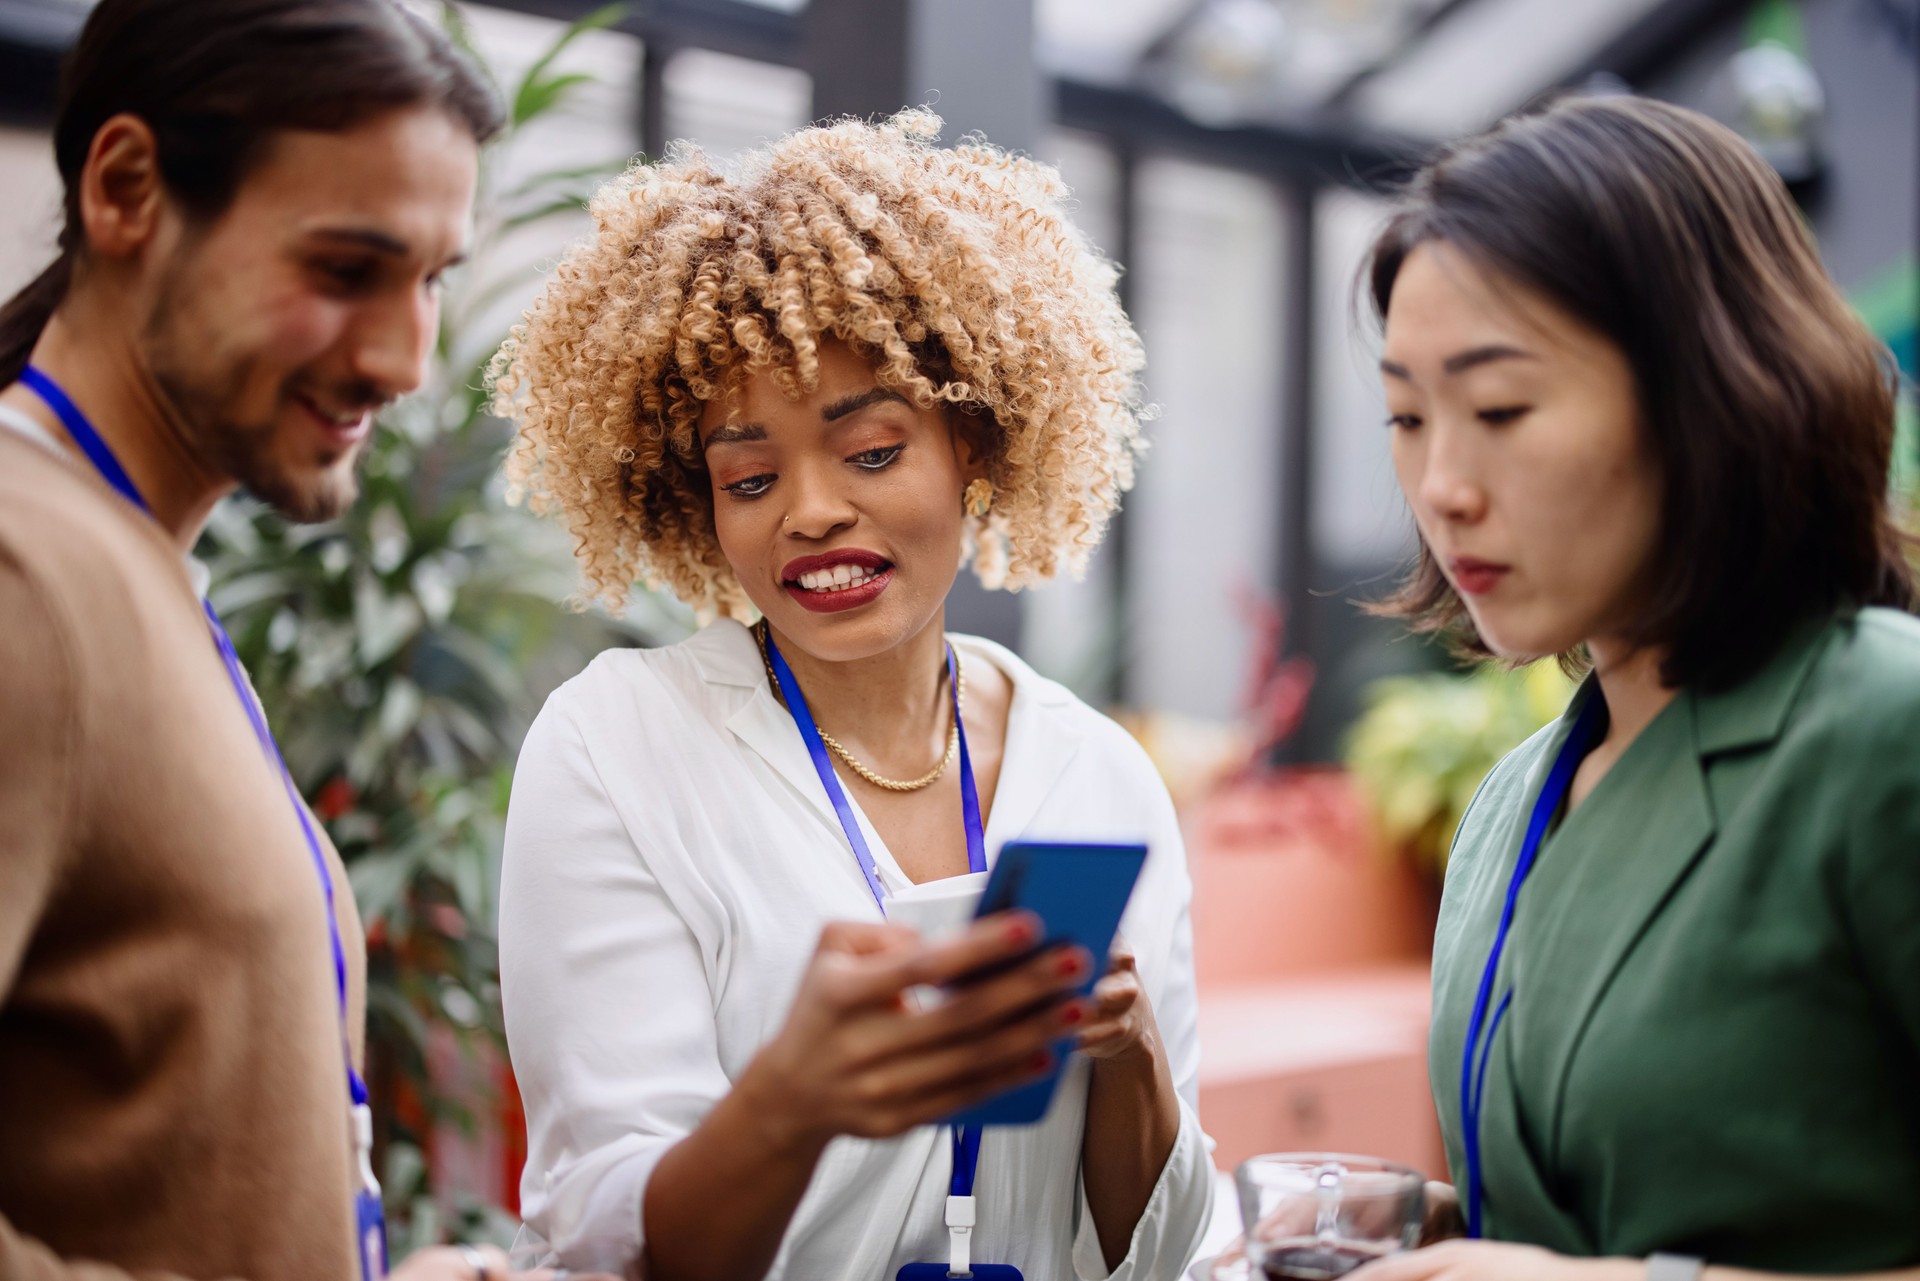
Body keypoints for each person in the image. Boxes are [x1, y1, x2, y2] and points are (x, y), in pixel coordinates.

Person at [491, 111, 1214, 1281]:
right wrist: (799, 1098)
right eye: (751, 476)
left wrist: (1132, 1069)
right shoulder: (619, 746)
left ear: (971, 443)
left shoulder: (1096, 776)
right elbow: (606, 1224)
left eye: (871, 452)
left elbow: (1176, 1256)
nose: (810, 512)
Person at [1344, 96, 1920, 1281]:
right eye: (1408, 415)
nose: (1441, 484)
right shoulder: (1508, 807)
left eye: (1499, 408)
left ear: (1711, 393)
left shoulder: (1884, 729)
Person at [0, 3, 518, 1280]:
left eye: (434, 279)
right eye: (346, 269)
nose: (407, 360)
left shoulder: (127, 564)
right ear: (127, 191)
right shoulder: (27, 575)